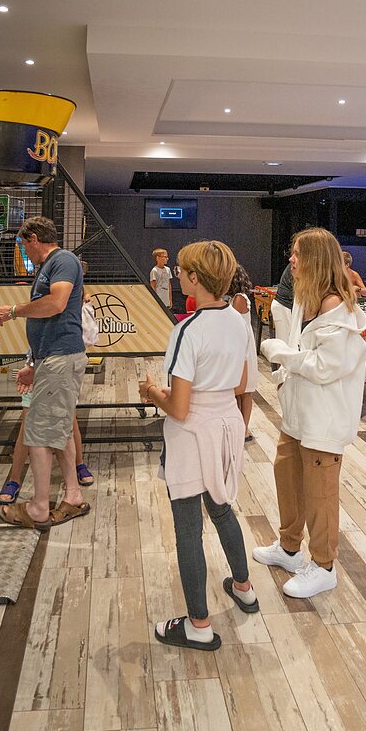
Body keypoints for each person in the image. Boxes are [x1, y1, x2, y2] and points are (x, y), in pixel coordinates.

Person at [138, 240, 258, 650]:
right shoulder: (238, 321)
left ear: (193, 279)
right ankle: (244, 587)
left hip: (192, 433)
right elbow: (241, 384)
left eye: (183, 270)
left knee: (188, 527)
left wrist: (152, 391)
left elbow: (180, 407)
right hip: (228, 422)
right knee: (223, 509)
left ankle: (198, 625)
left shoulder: (186, 330)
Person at [256, 228, 366, 598]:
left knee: (320, 495)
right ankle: (289, 548)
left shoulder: (340, 310)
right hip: (297, 415)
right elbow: (300, 351)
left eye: (298, 254)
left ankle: (323, 566)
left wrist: (280, 355)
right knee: (286, 476)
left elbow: (325, 366)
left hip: (324, 420)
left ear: (317, 259)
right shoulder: (306, 302)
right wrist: (283, 373)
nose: (291, 259)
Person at [0, 216, 90, 530]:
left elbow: (57, 304)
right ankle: (73, 495)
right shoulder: (52, 265)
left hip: (61, 359)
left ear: (34, 238)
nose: (25, 252)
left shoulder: (62, 260)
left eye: (24, 245)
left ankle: (37, 508)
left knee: (37, 434)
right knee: (58, 432)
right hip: (54, 360)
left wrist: (14, 311)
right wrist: (35, 366)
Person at [226, 264, 259, 441]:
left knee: (245, 392)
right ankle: (239, 426)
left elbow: (234, 323)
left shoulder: (240, 298)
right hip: (238, 347)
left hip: (243, 349)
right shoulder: (235, 298)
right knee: (239, 392)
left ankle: (244, 429)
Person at [271, 262, 293, 338]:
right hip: (284, 306)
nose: (291, 259)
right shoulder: (298, 264)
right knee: (285, 345)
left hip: (289, 305)